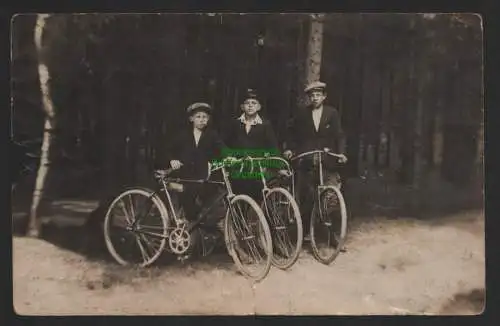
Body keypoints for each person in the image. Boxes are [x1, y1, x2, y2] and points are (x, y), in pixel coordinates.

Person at [283, 81, 347, 241]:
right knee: (306, 197)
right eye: (312, 95)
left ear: (324, 96)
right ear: (309, 98)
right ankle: (304, 233)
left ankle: (334, 236)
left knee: (332, 197)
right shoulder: (302, 114)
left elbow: (339, 135)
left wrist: (341, 153)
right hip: (307, 160)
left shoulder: (332, 113)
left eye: (318, 95)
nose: (315, 98)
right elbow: (291, 132)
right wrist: (290, 148)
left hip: (327, 161)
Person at [159, 102, 226, 224]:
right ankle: (187, 221)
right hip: (184, 175)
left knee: (208, 199)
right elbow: (168, 149)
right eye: (198, 117)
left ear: (208, 119)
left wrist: (231, 157)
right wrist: (172, 160)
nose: (201, 120)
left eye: (204, 117)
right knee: (187, 198)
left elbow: (223, 149)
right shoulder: (183, 135)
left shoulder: (212, 135)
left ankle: (195, 222)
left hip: (202, 175)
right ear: (191, 119)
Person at [223, 89, 281, 201]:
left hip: (257, 168)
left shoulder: (265, 125)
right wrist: (229, 157)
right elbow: (225, 144)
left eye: (254, 103)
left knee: (259, 198)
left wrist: (277, 166)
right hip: (238, 168)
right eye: (247, 103)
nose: (250, 106)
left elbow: (273, 146)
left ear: (259, 107)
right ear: (242, 107)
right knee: (239, 198)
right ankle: (239, 217)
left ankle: (259, 218)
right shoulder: (235, 124)